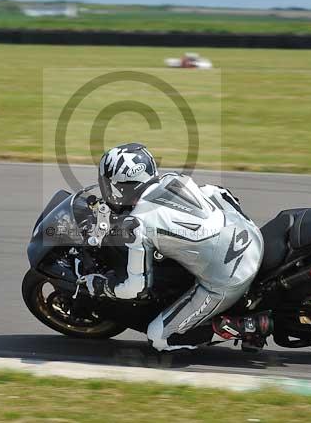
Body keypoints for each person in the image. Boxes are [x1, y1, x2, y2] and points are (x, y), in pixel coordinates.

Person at [81, 142, 271, 351]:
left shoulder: (138, 224)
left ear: (122, 186)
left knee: (159, 337)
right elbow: (218, 192)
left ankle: (246, 326)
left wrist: (100, 285)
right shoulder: (172, 180)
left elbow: (136, 288)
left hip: (230, 277)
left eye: (109, 184)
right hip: (248, 232)